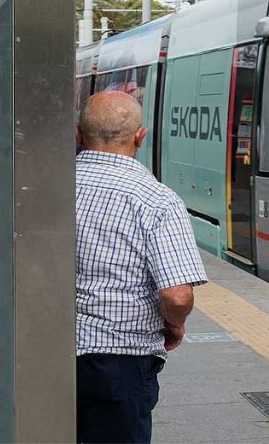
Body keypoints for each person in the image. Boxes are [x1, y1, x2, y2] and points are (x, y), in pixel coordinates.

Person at [75, 91, 208, 444]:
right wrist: (175, 325)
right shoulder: (156, 200)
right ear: (139, 136)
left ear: (78, 134)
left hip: (42, 353)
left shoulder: (46, 188)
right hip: (119, 363)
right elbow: (177, 295)